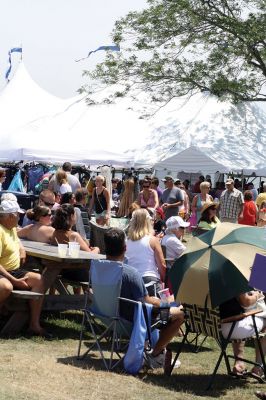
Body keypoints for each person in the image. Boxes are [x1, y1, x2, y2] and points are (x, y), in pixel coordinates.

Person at [104, 227, 184, 368]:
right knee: (181, 313)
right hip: (132, 320)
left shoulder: (99, 268)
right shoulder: (130, 273)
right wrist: (168, 302)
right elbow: (146, 302)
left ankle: (157, 352)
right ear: (125, 247)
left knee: (166, 306)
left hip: (106, 316)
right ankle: (156, 355)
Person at [0, 196, 46, 336]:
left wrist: (22, 248)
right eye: (18, 215)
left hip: (14, 270)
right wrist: (14, 280)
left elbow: (17, 239)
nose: (20, 217)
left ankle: (34, 324)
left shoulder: (11, 227)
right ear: (11, 216)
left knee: (39, 279)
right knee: (5, 287)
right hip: (3, 272)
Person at [220, 290, 266, 378]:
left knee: (240, 315)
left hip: (215, 326)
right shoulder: (234, 278)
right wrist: (257, 295)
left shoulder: (207, 281)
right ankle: (258, 368)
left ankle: (239, 363)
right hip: (231, 328)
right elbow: (246, 301)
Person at [50, 204, 99, 284]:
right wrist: (97, 249)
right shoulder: (73, 235)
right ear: (72, 216)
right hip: (76, 271)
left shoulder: (55, 233)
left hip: (61, 270)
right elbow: (90, 255)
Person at [126, 208, 166, 296]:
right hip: (149, 280)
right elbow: (162, 265)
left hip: (130, 281)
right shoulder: (153, 240)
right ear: (147, 222)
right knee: (165, 305)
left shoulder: (126, 241)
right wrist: (163, 280)